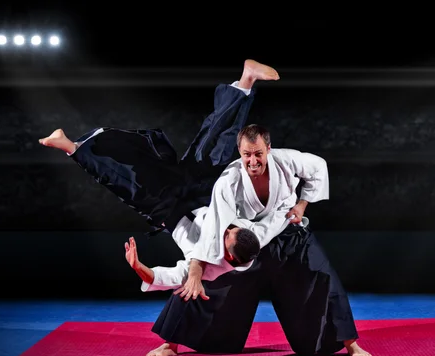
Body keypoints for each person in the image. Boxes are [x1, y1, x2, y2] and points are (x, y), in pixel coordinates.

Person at [39, 59, 276, 294]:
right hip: (202, 192)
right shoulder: (254, 235)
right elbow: (278, 217)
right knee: (216, 142)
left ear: (229, 256)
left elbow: (167, 277)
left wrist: (138, 266)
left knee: (126, 181)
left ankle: (69, 146)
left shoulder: (212, 269)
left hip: (168, 208)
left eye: (227, 235)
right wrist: (297, 207)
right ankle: (246, 80)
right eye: (231, 228)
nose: (225, 229)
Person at [154, 124, 373, 356]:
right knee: (204, 281)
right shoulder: (228, 182)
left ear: (268, 148)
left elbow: (318, 166)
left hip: (287, 235)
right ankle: (171, 344)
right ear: (239, 151)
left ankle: (351, 344)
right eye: (247, 154)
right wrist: (196, 270)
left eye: (258, 153)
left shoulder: (286, 160)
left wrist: (302, 204)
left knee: (322, 275)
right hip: (246, 242)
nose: (253, 160)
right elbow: (213, 229)